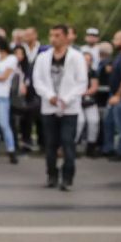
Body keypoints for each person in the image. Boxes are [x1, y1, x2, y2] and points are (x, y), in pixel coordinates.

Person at [33, 25, 88, 190]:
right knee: (50, 143)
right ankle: (51, 174)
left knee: (67, 141)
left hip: (69, 108)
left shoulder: (76, 57)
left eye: (57, 35)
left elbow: (81, 82)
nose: (53, 39)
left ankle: (67, 176)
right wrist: (49, 95)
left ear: (65, 37)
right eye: (51, 35)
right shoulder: (43, 57)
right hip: (49, 106)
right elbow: (38, 80)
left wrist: (66, 98)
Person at [102, 31, 121, 160]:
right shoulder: (119, 56)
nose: (113, 41)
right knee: (109, 122)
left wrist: (118, 95)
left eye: (116, 39)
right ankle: (108, 148)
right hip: (114, 94)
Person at [77, 51, 101, 157]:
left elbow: (94, 87)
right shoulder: (75, 72)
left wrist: (84, 92)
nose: (86, 62)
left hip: (89, 101)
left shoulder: (93, 72)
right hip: (77, 101)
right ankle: (71, 146)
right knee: (79, 121)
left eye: (88, 60)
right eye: (84, 59)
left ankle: (91, 147)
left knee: (93, 121)